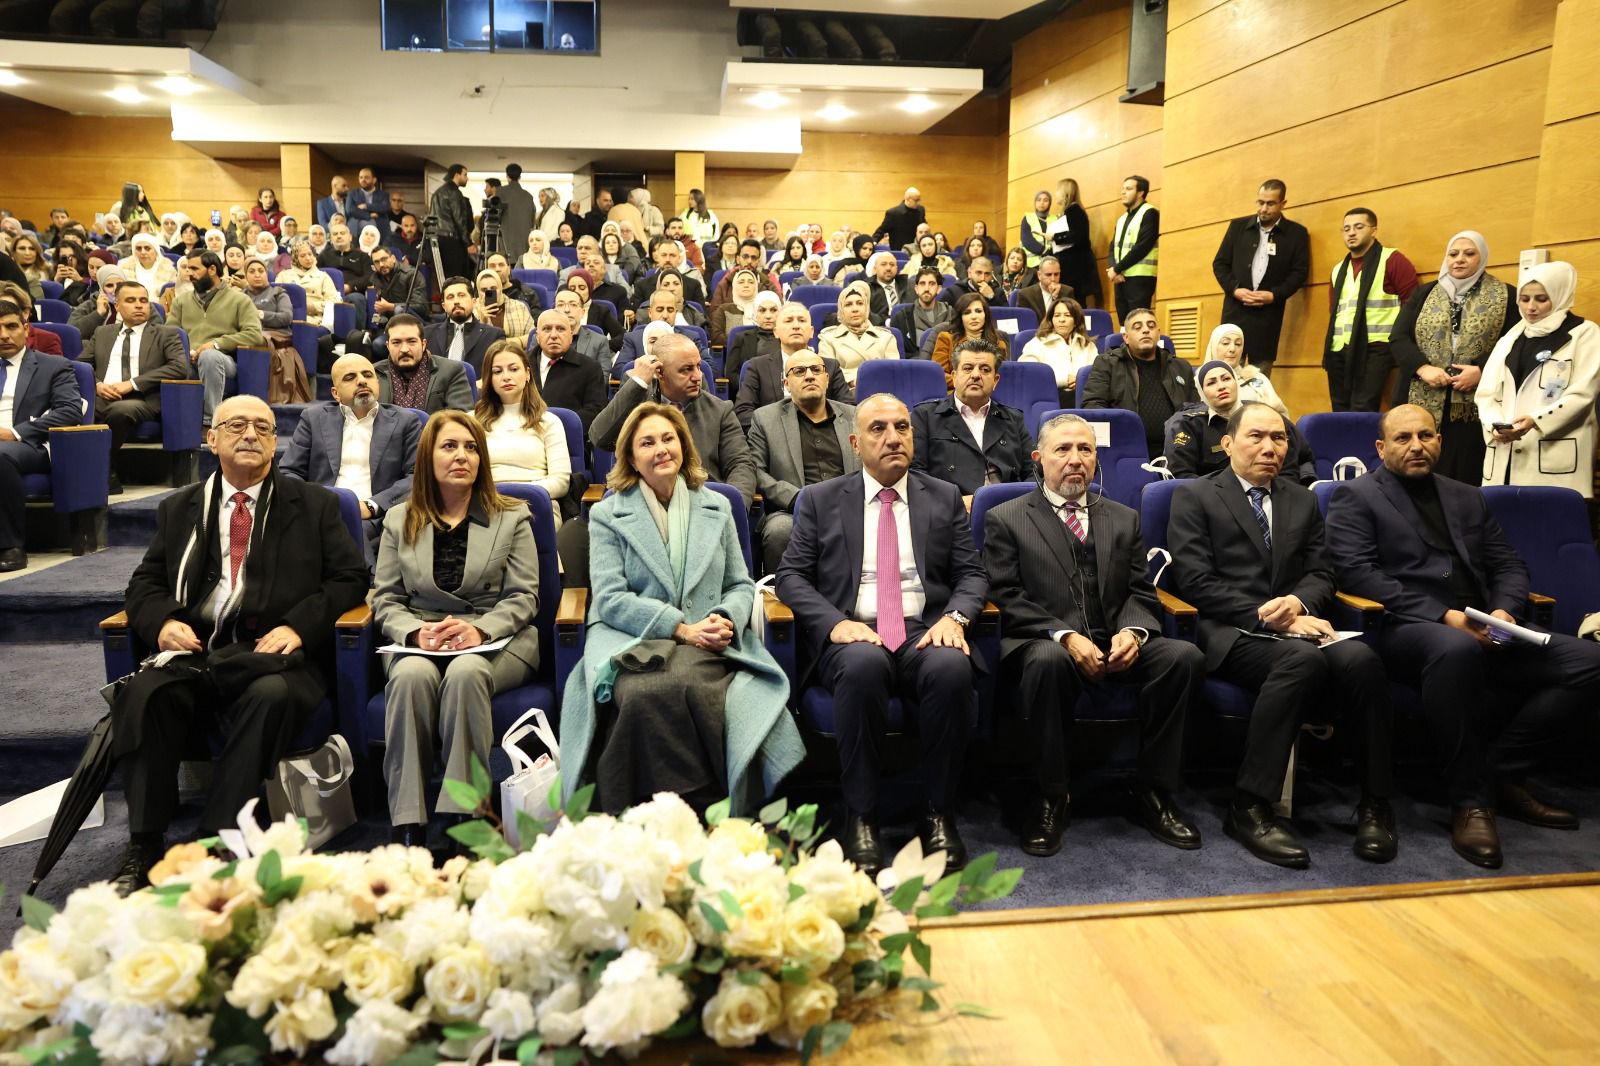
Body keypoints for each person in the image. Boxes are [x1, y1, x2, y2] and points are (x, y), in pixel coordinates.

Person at [111, 394, 367, 891]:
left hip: (277, 660)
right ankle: (143, 844)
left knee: (268, 696)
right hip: (198, 655)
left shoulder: (314, 505)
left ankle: (216, 840)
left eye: (262, 428)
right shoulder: (180, 508)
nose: (250, 434)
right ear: (212, 440)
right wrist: (163, 622)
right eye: (236, 426)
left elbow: (350, 578)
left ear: (275, 443)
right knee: (144, 692)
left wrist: (297, 626)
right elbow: (144, 584)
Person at [1325, 403, 1600, 866]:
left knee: (1590, 662)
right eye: (1403, 438)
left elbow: (1508, 564)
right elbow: (1356, 573)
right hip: (1406, 627)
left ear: (1439, 441)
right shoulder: (1356, 496)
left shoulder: (1466, 495)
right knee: (1455, 650)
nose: (1416, 446)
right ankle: (1470, 800)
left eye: (1425, 436)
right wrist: (1445, 615)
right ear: (1381, 448)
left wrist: (1504, 610)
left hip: (1488, 624)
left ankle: (1501, 771)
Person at [1168, 402, 1395, 868]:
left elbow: (1322, 572)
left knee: (1363, 661)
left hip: (1299, 624)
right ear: (1227, 443)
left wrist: (1298, 603)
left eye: (1279, 438)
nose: (1270, 447)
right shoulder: (1195, 495)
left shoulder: (1302, 499)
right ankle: (1249, 805)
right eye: (1256, 436)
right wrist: (1273, 618)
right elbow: (1195, 581)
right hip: (1232, 631)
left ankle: (1375, 801)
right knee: (1301, 660)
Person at [776, 393, 987, 876]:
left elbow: (971, 575)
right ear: (855, 443)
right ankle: (862, 814)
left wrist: (955, 619)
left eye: (902, 427)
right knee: (863, 665)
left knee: (951, 667)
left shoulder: (943, 496)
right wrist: (834, 623)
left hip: (922, 628)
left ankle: (938, 811)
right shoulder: (822, 499)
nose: (893, 438)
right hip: (854, 628)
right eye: (878, 429)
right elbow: (790, 577)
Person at [561, 402, 802, 813]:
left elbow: (739, 584)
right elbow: (612, 598)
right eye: (647, 443)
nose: (661, 449)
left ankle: (703, 809)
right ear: (630, 457)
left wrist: (723, 619)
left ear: (683, 446)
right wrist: (680, 628)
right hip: (632, 638)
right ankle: (659, 809)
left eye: (668, 439)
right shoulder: (607, 515)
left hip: (710, 636)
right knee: (643, 692)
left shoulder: (717, 506)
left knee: (696, 686)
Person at [983, 413, 1204, 856]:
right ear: (1038, 458)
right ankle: (1051, 794)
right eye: (1063, 449)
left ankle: (1154, 791)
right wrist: (1064, 635)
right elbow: (1005, 595)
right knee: (1047, 662)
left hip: (1114, 638)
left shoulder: (1123, 518)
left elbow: (1141, 590)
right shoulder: (1005, 517)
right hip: (1044, 641)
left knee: (1183, 657)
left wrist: (1134, 633)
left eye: (1085, 449)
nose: (1075, 459)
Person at [373, 410, 539, 844]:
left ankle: (463, 817)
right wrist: (414, 633)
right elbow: (385, 598)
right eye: (449, 446)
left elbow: (523, 596)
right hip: (421, 636)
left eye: (471, 448)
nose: (462, 456)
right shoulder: (399, 519)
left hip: (497, 637)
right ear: (428, 457)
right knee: (410, 676)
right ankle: (408, 820)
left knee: (466, 673)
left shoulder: (513, 516)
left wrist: (480, 631)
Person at [1385, 232, 1517, 485]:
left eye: (1469, 253)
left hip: (1473, 407)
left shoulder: (1506, 295)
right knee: (1417, 470)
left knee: (1464, 474)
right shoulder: (1424, 294)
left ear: (1482, 257)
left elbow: (1513, 344)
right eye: (1453, 254)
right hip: (1421, 395)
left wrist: (1481, 371)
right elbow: (1398, 338)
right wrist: (1423, 368)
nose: (1459, 259)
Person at [1475, 261, 1600, 497]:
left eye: (1541, 299)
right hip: (1505, 456)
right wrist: (1495, 426)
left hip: (1554, 460)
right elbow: (1486, 395)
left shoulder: (1584, 333)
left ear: (1560, 295)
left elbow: (1583, 394)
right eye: (1524, 299)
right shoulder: (1510, 339)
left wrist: (1536, 420)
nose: (1531, 307)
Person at [279, 352, 421, 559]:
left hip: (377, 516)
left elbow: (417, 475)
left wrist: (371, 506)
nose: (361, 381)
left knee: (349, 533)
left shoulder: (405, 421)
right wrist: (312, 504)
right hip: (322, 511)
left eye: (367, 375)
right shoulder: (314, 418)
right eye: (350, 377)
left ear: (378, 383)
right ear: (335, 393)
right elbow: (289, 471)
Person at [592, 333, 758, 506]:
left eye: (698, 366)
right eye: (686, 369)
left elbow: (741, 465)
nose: (698, 376)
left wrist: (731, 508)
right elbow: (600, 438)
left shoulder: (720, 410)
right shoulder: (638, 405)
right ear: (660, 373)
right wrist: (637, 383)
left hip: (705, 506)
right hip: (644, 505)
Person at [748, 351, 861, 573]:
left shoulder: (854, 416)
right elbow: (756, 471)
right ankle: (783, 593)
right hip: (793, 510)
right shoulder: (765, 419)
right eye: (799, 371)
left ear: (827, 379)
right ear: (786, 384)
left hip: (851, 505)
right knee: (779, 530)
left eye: (816, 370)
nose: (809, 376)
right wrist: (797, 498)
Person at [0, 300, 82, 571]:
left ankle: (10, 546)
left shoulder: (53, 366)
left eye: (11, 327)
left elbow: (70, 410)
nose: (4, 335)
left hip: (29, 444)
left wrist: (15, 432)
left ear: (26, 329)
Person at [1323, 207, 1420, 412]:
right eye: (1346, 229)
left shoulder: (1392, 259)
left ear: (1374, 230)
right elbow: (1335, 310)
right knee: (1339, 409)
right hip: (1339, 348)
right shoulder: (1338, 269)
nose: (1351, 233)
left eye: (1359, 227)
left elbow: (1412, 303)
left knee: (1363, 407)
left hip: (1377, 347)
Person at [912, 340, 1035, 500]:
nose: (976, 375)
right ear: (954, 377)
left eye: (985, 370)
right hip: (951, 508)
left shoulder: (1014, 418)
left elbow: (1033, 473)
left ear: (995, 380)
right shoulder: (925, 416)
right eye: (968, 368)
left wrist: (1018, 505)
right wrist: (953, 503)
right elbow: (916, 474)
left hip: (1008, 507)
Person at [1211, 180, 1311, 377]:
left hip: (1268, 317)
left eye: (1270, 204)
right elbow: (1220, 264)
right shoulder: (1237, 227)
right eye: (1260, 202)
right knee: (1226, 374)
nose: (1264, 209)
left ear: (1283, 204)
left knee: (1260, 381)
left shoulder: (1296, 233)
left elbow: (1299, 273)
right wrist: (1235, 289)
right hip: (1235, 312)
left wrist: (1274, 295)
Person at [1165, 360, 1315, 483]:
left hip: (1274, 495)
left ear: (1236, 382)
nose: (1221, 386)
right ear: (1201, 392)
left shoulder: (1264, 413)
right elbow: (1182, 476)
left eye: (1226, 379)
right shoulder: (1187, 423)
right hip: (1216, 500)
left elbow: (1302, 458)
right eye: (1211, 383)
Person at [476, 338, 572, 527]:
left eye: (513, 369)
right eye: (497, 371)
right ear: (489, 379)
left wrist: (518, 494)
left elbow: (561, 482)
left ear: (527, 374)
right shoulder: (472, 422)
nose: (506, 377)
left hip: (535, 505)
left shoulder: (549, 421)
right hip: (486, 505)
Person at [1081, 307, 1198, 457]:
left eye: (1151, 326)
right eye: (1137, 327)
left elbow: (1195, 410)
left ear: (1158, 334)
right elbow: (1092, 406)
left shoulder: (1180, 367)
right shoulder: (1107, 364)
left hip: (1178, 450)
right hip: (1125, 450)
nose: (1146, 330)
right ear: (1126, 337)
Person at [168, 251, 265, 424]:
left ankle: (210, 421)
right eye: (188, 269)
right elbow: (170, 334)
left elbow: (254, 334)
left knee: (209, 356)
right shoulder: (181, 301)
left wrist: (215, 344)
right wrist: (185, 352)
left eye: (194, 269)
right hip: (187, 360)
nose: (189, 274)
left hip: (223, 359)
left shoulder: (239, 300)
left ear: (212, 269)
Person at [734, 302, 852, 431]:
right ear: (776, 332)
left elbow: (847, 410)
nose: (796, 326)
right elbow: (743, 412)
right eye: (788, 321)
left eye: (801, 320)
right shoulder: (758, 367)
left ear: (811, 332)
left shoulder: (830, 366)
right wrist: (778, 433)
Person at [374, 313, 475, 414]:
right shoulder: (373, 374)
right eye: (396, 343)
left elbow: (460, 417)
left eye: (412, 341)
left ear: (423, 344)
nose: (404, 349)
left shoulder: (452, 371)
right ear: (388, 346)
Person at [528, 308, 608, 432]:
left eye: (560, 329)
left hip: (568, 437)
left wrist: (556, 428)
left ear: (571, 336)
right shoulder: (522, 365)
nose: (554, 335)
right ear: (537, 336)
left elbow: (595, 412)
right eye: (547, 329)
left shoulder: (590, 368)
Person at [819, 281, 898, 387]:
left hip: (880, 389)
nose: (855, 309)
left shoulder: (887, 338)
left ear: (867, 307)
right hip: (844, 392)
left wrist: (869, 379)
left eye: (860, 303)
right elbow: (828, 374)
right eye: (848, 304)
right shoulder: (828, 339)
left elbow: (894, 372)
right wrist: (852, 380)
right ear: (841, 309)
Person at [1019, 296, 1097, 403]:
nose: (1061, 320)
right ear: (1051, 320)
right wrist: (1064, 380)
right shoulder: (1036, 344)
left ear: (1076, 321)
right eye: (1057, 315)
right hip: (1050, 398)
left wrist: (1081, 380)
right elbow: (1027, 376)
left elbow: (1098, 375)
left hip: (1085, 397)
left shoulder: (1088, 345)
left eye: (1067, 315)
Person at [1108, 175, 1159, 322]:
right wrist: (1113, 269)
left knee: (1138, 321)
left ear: (1140, 193)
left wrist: (1117, 269)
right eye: (1123, 188)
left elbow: (1143, 246)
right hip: (1119, 278)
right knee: (1124, 322)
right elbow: (1112, 247)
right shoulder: (1122, 218)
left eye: (1129, 189)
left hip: (1140, 278)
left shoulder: (1150, 213)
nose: (1123, 192)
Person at [929, 292, 1009, 387]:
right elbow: (938, 375)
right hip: (955, 392)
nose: (974, 317)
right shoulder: (946, 339)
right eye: (967, 312)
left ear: (985, 315)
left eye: (978, 311)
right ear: (961, 317)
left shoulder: (999, 344)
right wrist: (968, 382)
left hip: (988, 394)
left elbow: (1001, 378)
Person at [1049, 178, 1102, 309]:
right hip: (1073, 266)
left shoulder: (1074, 210)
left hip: (1076, 268)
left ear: (1065, 192)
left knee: (1075, 304)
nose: (1055, 194)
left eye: (1058, 190)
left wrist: (1055, 237)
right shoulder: (1070, 211)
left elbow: (1078, 235)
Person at [890, 265, 954, 356]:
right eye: (922, 283)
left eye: (932, 284)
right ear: (916, 289)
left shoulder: (952, 315)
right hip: (915, 363)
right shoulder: (901, 317)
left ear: (939, 289)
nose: (926, 288)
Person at [724, 289, 782, 382]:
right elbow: (731, 374)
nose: (768, 316)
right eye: (762, 310)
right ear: (755, 313)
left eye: (773, 310)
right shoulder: (741, 338)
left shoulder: (788, 337)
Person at [430, 164, 476, 279]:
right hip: (453, 240)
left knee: (445, 276)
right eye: (465, 175)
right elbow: (459, 219)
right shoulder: (454, 192)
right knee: (457, 276)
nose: (467, 178)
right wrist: (468, 243)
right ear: (457, 175)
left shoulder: (438, 192)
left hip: (439, 238)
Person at [551, 286, 612, 371]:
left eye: (573, 305)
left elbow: (602, 376)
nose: (567, 310)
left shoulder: (599, 342)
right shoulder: (541, 339)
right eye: (561, 305)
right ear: (554, 311)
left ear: (582, 312)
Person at [709, 266, 762, 348]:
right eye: (741, 282)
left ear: (756, 286)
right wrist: (742, 343)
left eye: (751, 282)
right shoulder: (724, 309)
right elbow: (716, 337)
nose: (746, 285)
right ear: (734, 286)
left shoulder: (762, 309)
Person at [1014, 255, 1070, 326]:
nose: (1053, 279)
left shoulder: (1067, 292)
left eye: (1056, 274)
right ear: (1039, 275)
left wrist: (1056, 298)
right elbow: (1023, 323)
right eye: (1048, 275)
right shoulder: (1025, 295)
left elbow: (1071, 320)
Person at [499, 163, 536, 260]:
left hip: (506, 243)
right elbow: (532, 221)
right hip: (524, 245)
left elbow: (496, 215)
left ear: (507, 176)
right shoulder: (528, 196)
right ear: (520, 177)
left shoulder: (501, 192)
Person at [872, 187, 926, 252]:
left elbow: (924, 225)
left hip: (917, 249)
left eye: (919, 200)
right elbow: (882, 229)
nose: (919, 202)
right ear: (908, 199)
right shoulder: (893, 213)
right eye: (916, 200)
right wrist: (874, 241)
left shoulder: (921, 210)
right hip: (899, 250)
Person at [864, 251, 909, 326]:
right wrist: (886, 321)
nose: (888, 268)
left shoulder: (908, 284)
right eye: (883, 264)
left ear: (897, 268)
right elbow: (865, 312)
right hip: (879, 327)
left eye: (892, 265)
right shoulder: (866, 287)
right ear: (875, 269)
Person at [1019, 189, 1057, 269]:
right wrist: (1044, 251)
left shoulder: (1055, 219)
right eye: (1039, 200)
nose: (1042, 203)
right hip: (1031, 265)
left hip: (1051, 263)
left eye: (1045, 200)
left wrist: (1050, 254)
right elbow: (1027, 240)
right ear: (1035, 203)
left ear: (1050, 203)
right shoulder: (1028, 218)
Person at [347, 167, 388, 236]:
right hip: (356, 231)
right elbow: (350, 210)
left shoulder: (383, 195)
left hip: (379, 231)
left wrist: (366, 206)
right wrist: (369, 215)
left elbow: (385, 207)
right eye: (361, 177)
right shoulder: (352, 194)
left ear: (374, 180)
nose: (363, 180)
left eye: (366, 177)